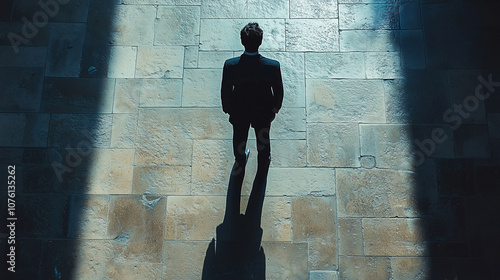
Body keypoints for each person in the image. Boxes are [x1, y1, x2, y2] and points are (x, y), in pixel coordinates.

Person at [221, 22, 284, 226]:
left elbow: (225, 91)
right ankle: (263, 160)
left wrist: (229, 109)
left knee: (240, 138)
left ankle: (241, 160)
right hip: (262, 113)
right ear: (260, 41)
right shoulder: (272, 66)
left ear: (242, 41)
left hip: (240, 113)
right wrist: (273, 111)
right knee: (262, 139)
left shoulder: (230, 65)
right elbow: (279, 93)